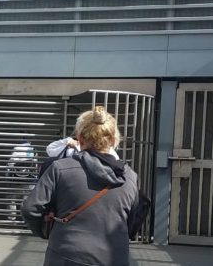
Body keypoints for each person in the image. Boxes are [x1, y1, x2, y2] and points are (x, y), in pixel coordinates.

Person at [22, 106, 140, 266]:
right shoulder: (130, 176)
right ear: (113, 140)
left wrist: (46, 231)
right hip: (114, 257)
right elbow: (134, 220)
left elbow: (30, 208)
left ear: (80, 138)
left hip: (66, 254)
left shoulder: (60, 168)